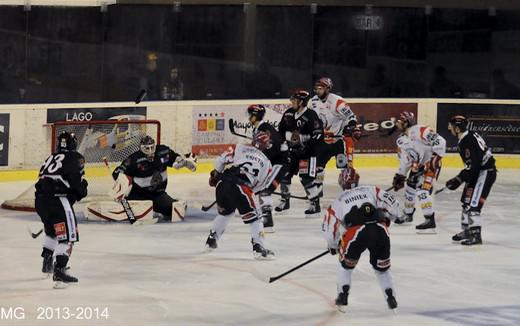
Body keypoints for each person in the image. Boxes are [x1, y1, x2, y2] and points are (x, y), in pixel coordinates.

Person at [322, 168, 403, 312]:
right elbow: (395, 209)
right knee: (382, 270)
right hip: (380, 230)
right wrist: (388, 218)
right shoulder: (372, 190)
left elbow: (329, 227)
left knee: (346, 266)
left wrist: (333, 245)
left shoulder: (338, 201)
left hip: (356, 234)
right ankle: (391, 298)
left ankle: (342, 296)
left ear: (341, 182)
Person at [205, 133, 280, 259]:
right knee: (256, 218)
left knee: (225, 213)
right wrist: (250, 191)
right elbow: (261, 186)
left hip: (222, 184)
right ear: (265, 146)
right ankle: (259, 248)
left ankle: (211, 240)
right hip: (242, 187)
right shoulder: (267, 163)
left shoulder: (240, 148)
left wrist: (216, 174)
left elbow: (220, 160)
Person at [35, 131, 88, 287]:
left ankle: (47, 262)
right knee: (67, 237)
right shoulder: (74, 157)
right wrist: (82, 189)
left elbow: (41, 181)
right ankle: (60, 271)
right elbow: (76, 184)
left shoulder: (50, 157)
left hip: (41, 201)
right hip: (59, 202)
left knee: (52, 232)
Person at [112, 136, 196, 222]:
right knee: (142, 214)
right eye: (147, 148)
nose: (150, 151)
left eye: (152, 147)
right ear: (141, 148)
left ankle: (157, 209)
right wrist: (123, 180)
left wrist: (183, 163)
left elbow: (175, 158)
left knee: (173, 211)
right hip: (138, 195)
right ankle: (145, 209)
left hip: (158, 194)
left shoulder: (162, 151)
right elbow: (116, 172)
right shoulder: (133, 159)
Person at [308, 77, 361, 208]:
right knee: (317, 170)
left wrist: (352, 127)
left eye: (320, 88)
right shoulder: (312, 102)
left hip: (339, 141)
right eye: (317, 88)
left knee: (347, 171)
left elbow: (351, 117)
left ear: (327, 88)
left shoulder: (337, 102)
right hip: (322, 142)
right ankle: (316, 198)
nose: (317, 91)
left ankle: (351, 198)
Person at [445, 115, 497, 245]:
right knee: (466, 202)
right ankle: (467, 230)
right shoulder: (467, 136)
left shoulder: (468, 141)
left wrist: (459, 179)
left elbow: (475, 166)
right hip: (476, 172)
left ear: (457, 129)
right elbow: (472, 167)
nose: (448, 127)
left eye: (451, 125)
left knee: (474, 206)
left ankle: (475, 235)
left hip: (484, 173)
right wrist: (460, 178)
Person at [391, 111, 446, 233]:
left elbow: (441, 142)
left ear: (406, 122)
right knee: (410, 188)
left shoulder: (422, 130)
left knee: (422, 191)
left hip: (431, 166)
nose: (397, 124)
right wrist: (401, 175)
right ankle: (408, 214)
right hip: (418, 166)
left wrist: (434, 159)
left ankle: (429, 220)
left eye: (399, 121)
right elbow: (406, 161)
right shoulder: (401, 141)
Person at [276, 89, 325, 215]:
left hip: (308, 154)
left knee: (306, 179)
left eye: (295, 100)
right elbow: (280, 132)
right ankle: (284, 201)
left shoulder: (311, 115)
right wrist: (282, 142)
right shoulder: (288, 114)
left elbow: (318, 134)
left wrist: (304, 142)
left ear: (302, 102)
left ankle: (315, 203)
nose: (292, 102)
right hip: (292, 152)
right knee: (285, 175)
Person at [247, 104, 283, 232]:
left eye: (250, 114)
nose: (248, 117)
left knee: (264, 190)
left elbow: (274, 147)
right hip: (273, 163)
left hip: (280, 163)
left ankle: (268, 223)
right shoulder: (259, 129)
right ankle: (261, 215)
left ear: (256, 116)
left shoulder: (265, 128)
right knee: (259, 188)